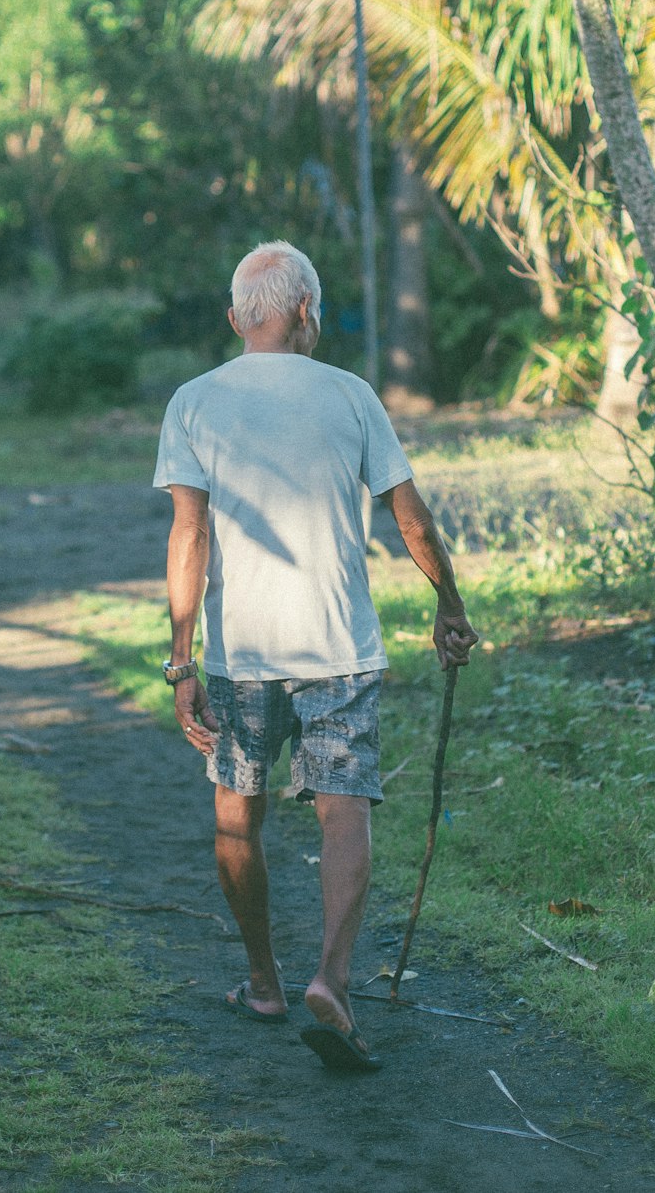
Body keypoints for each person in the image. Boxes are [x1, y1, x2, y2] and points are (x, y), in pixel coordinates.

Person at [154, 240, 477, 1072]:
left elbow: (188, 533)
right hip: (338, 647)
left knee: (238, 811)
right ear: (308, 313)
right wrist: (450, 603)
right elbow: (412, 520)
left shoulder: (194, 400)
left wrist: (182, 659)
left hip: (239, 652)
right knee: (345, 809)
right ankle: (331, 976)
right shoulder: (352, 394)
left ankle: (264, 980)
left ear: (236, 319)